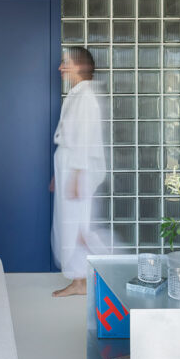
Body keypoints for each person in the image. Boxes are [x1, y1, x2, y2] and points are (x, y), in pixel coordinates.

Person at [51, 47, 107, 297]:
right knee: (70, 223)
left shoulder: (85, 98)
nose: (61, 67)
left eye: (66, 63)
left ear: (80, 67)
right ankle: (80, 280)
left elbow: (85, 140)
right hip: (70, 168)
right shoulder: (75, 95)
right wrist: (59, 174)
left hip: (78, 170)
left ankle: (80, 282)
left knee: (75, 225)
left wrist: (75, 175)